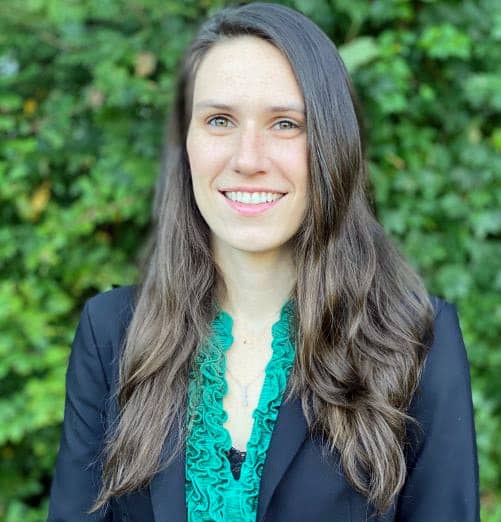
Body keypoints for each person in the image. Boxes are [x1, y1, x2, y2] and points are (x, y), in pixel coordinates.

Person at [47, 2, 480, 521]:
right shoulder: (111, 333)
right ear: (185, 144)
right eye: (220, 120)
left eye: (284, 123)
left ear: (331, 144)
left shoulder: (416, 339)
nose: (248, 158)